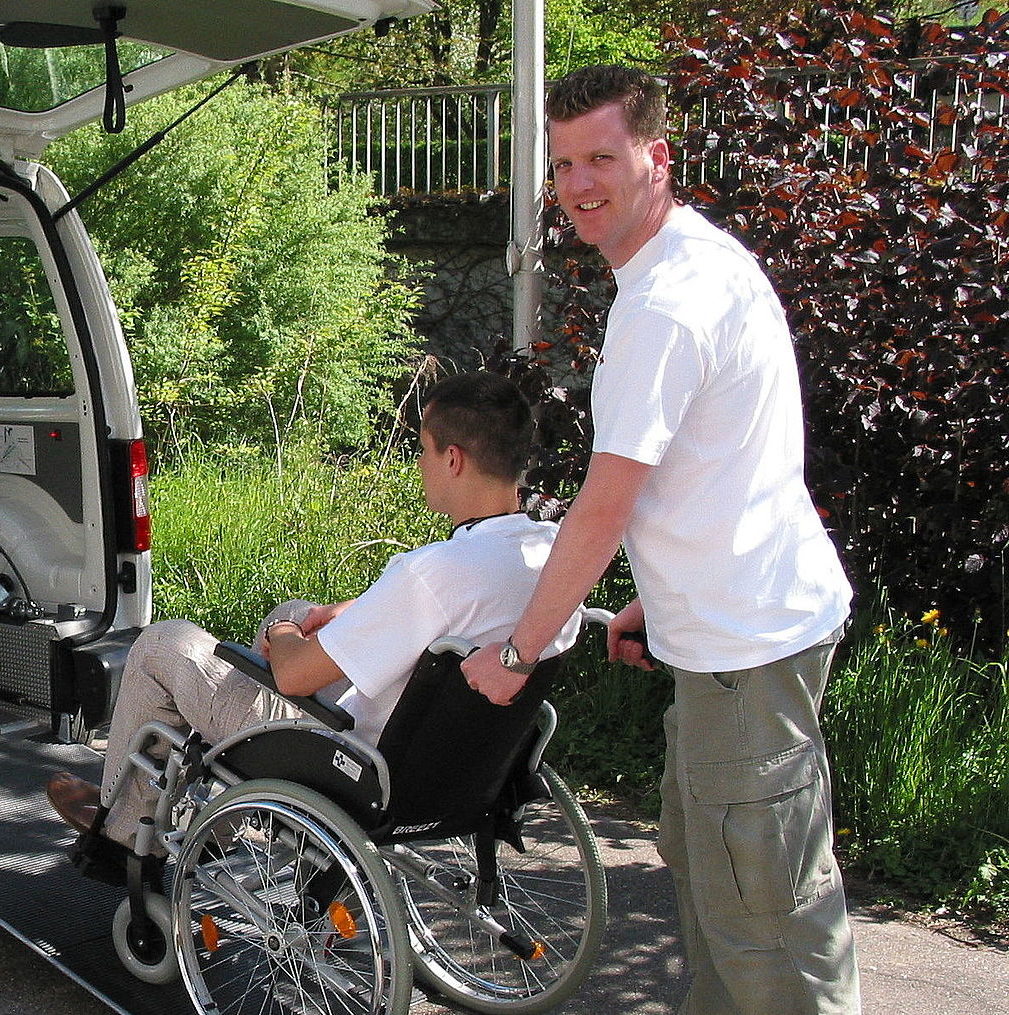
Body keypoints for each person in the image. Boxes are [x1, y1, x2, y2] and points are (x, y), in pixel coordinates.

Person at [459, 66, 859, 1014]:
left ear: (657, 156)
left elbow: (604, 504)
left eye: (602, 156)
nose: (580, 184)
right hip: (740, 628)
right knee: (724, 903)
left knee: (766, 929)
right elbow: (730, 461)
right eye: (562, 165)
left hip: (746, 649)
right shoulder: (699, 260)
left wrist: (519, 651)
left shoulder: (663, 306)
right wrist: (660, 596)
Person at [47, 371, 581, 848]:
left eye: (423, 448)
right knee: (305, 612)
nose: (418, 462)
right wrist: (342, 611)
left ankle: (120, 827)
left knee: (167, 642)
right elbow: (445, 612)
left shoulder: (433, 572)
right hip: (460, 771)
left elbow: (296, 674)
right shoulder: (552, 559)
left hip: (353, 762)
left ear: (453, 459)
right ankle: (208, 814)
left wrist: (282, 628)